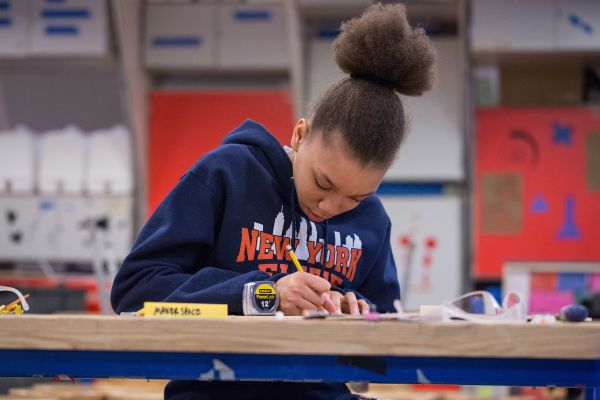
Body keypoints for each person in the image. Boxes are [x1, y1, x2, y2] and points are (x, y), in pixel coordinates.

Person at [111, 3, 436, 399]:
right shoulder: (228, 174)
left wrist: (356, 311)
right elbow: (135, 289)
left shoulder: (372, 220)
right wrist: (265, 295)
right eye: (323, 182)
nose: (331, 207)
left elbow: (385, 323)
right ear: (300, 135)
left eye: (356, 196)